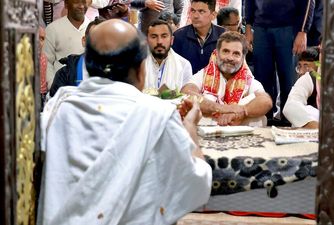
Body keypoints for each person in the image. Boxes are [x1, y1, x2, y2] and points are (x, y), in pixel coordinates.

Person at [38, 19, 212, 225]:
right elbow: (197, 184)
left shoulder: (57, 109)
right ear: (141, 69)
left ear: (87, 66)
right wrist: (190, 128)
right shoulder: (156, 115)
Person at [181, 31, 272, 127]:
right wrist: (222, 108)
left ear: (243, 58)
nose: (230, 58)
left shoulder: (248, 80)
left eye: (236, 54)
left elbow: (266, 101)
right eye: (225, 51)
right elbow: (186, 93)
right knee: (194, 108)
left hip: (238, 128)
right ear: (217, 53)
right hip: (208, 130)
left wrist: (241, 112)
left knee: (258, 117)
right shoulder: (203, 75)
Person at [244, 0, 315, 121]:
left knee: (288, 80)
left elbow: (308, 2)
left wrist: (303, 31)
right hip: (260, 28)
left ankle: (288, 122)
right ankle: (264, 120)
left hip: (288, 27)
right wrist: (248, 26)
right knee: (261, 79)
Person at [49, 16, 106, 97]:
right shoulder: (65, 74)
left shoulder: (119, 73)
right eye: (94, 38)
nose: (99, 44)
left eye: (104, 39)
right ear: (84, 40)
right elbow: (56, 106)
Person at [44, 0, 90, 89]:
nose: (81, 6)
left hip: (87, 91)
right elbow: (47, 61)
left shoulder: (94, 29)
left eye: (84, 2)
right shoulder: (53, 29)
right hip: (60, 89)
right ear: (66, 4)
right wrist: (53, 85)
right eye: (76, 2)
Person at [172, 0, 226, 74]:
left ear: (213, 15)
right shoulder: (179, 36)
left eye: (201, 11)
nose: (195, 16)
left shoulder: (224, 36)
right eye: (193, 11)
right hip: (186, 84)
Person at [143, 19, 192, 93]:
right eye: (154, 37)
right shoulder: (136, 64)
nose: (159, 41)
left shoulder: (184, 65)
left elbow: (185, 97)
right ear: (146, 40)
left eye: (164, 36)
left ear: (172, 40)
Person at [283, 47, 320, 129]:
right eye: (299, 66)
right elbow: (290, 107)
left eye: (306, 66)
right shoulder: (308, 77)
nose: (301, 71)